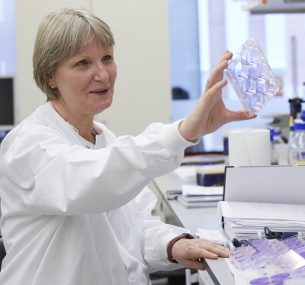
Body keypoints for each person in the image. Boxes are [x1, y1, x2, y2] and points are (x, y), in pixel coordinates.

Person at [0, 8, 254, 285]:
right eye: (83, 63)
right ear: (50, 76)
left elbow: (133, 225)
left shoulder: (103, 138)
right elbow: (92, 182)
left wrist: (172, 244)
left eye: (106, 58)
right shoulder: (28, 144)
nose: (102, 75)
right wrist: (183, 132)